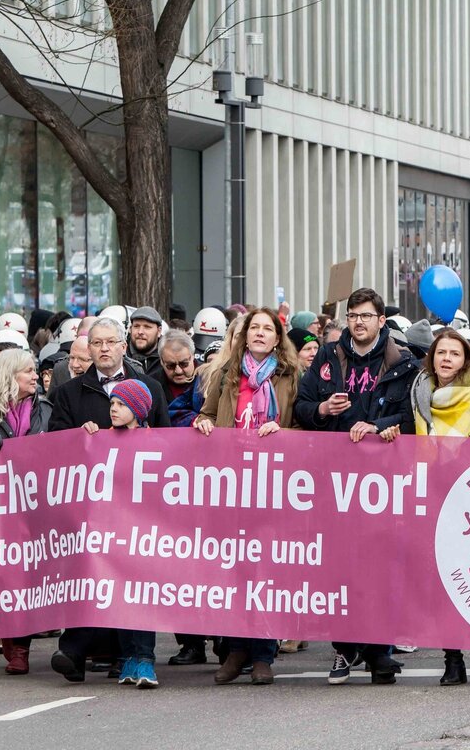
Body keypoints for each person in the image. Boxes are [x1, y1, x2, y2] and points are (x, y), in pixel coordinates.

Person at [294, 287, 416, 685]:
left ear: (382, 321)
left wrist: (377, 426)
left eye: (366, 316)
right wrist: (323, 410)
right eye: (353, 316)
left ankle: (380, 652)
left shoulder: (403, 362)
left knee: (379, 564)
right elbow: (302, 406)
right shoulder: (329, 356)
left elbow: (411, 417)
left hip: (382, 480)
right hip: (335, 478)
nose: (359, 322)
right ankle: (344, 650)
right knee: (341, 566)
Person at [193, 307, 301, 685]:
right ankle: (236, 648)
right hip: (230, 484)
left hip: (274, 485)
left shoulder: (291, 377)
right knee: (235, 568)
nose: (259, 333)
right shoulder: (226, 374)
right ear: (244, 335)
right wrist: (204, 423)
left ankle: (262, 653)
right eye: (253, 327)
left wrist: (283, 431)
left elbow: (304, 424)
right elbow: (205, 414)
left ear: (277, 338)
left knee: (265, 569)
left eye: (266, 329)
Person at [408, 328, 470, 685]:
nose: (446, 358)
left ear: (465, 359)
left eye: (454, 353)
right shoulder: (418, 391)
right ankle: (452, 659)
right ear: (432, 357)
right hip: (433, 494)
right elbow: (408, 433)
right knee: (441, 582)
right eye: (440, 353)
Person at [53, 379, 161, 689]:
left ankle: (146, 659)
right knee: (121, 599)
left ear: (138, 410)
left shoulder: (156, 441)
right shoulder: (102, 439)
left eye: (122, 405)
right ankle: (128, 658)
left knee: (142, 597)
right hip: (114, 533)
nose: (113, 409)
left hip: (145, 533)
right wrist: (85, 438)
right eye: (112, 403)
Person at [0, 349, 52, 675]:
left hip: (37, 503)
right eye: (28, 372)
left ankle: (21, 648)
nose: (36, 376)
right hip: (1, 505)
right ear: (10, 376)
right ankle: (9, 636)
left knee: (29, 575)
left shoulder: (45, 408)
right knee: (6, 572)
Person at [48, 318, 169, 434]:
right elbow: (58, 443)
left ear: (123, 347)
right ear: (89, 350)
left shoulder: (152, 388)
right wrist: (79, 434)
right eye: (97, 343)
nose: (104, 348)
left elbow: (165, 439)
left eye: (111, 342)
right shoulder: (67, 393)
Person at [127, 307, 165, 381]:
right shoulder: (120, 357)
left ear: (159, 331)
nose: (140, 332)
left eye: (147, 327)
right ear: (130, 328)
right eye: (136, 326)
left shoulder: (167, 357)